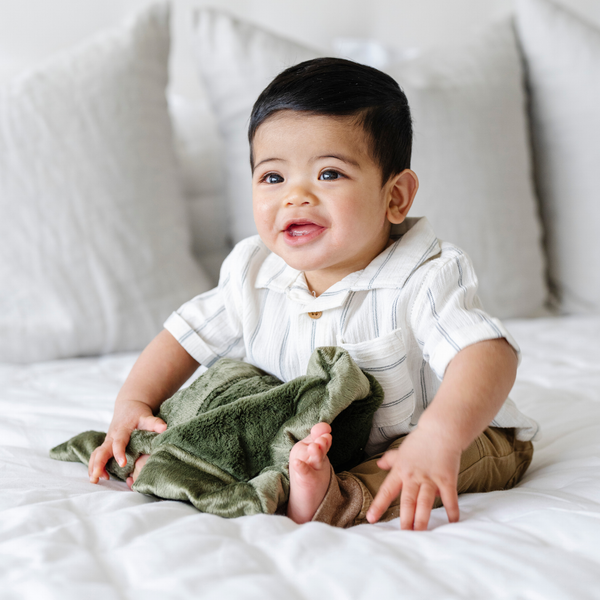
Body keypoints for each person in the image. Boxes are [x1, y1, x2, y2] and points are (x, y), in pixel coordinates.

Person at [88, 57, 539, 530]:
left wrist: (440, 434)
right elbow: (185, 335)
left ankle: (338, 495)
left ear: (395, 197)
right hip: (312, 439)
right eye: (273, 177)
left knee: (422, 459)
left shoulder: (426, 274)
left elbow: (488, 353)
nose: (295, 196)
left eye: (329, 174)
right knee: (225, 409)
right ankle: (206, 466)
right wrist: (133, 402)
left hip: (444, 434)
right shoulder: (253, 269)